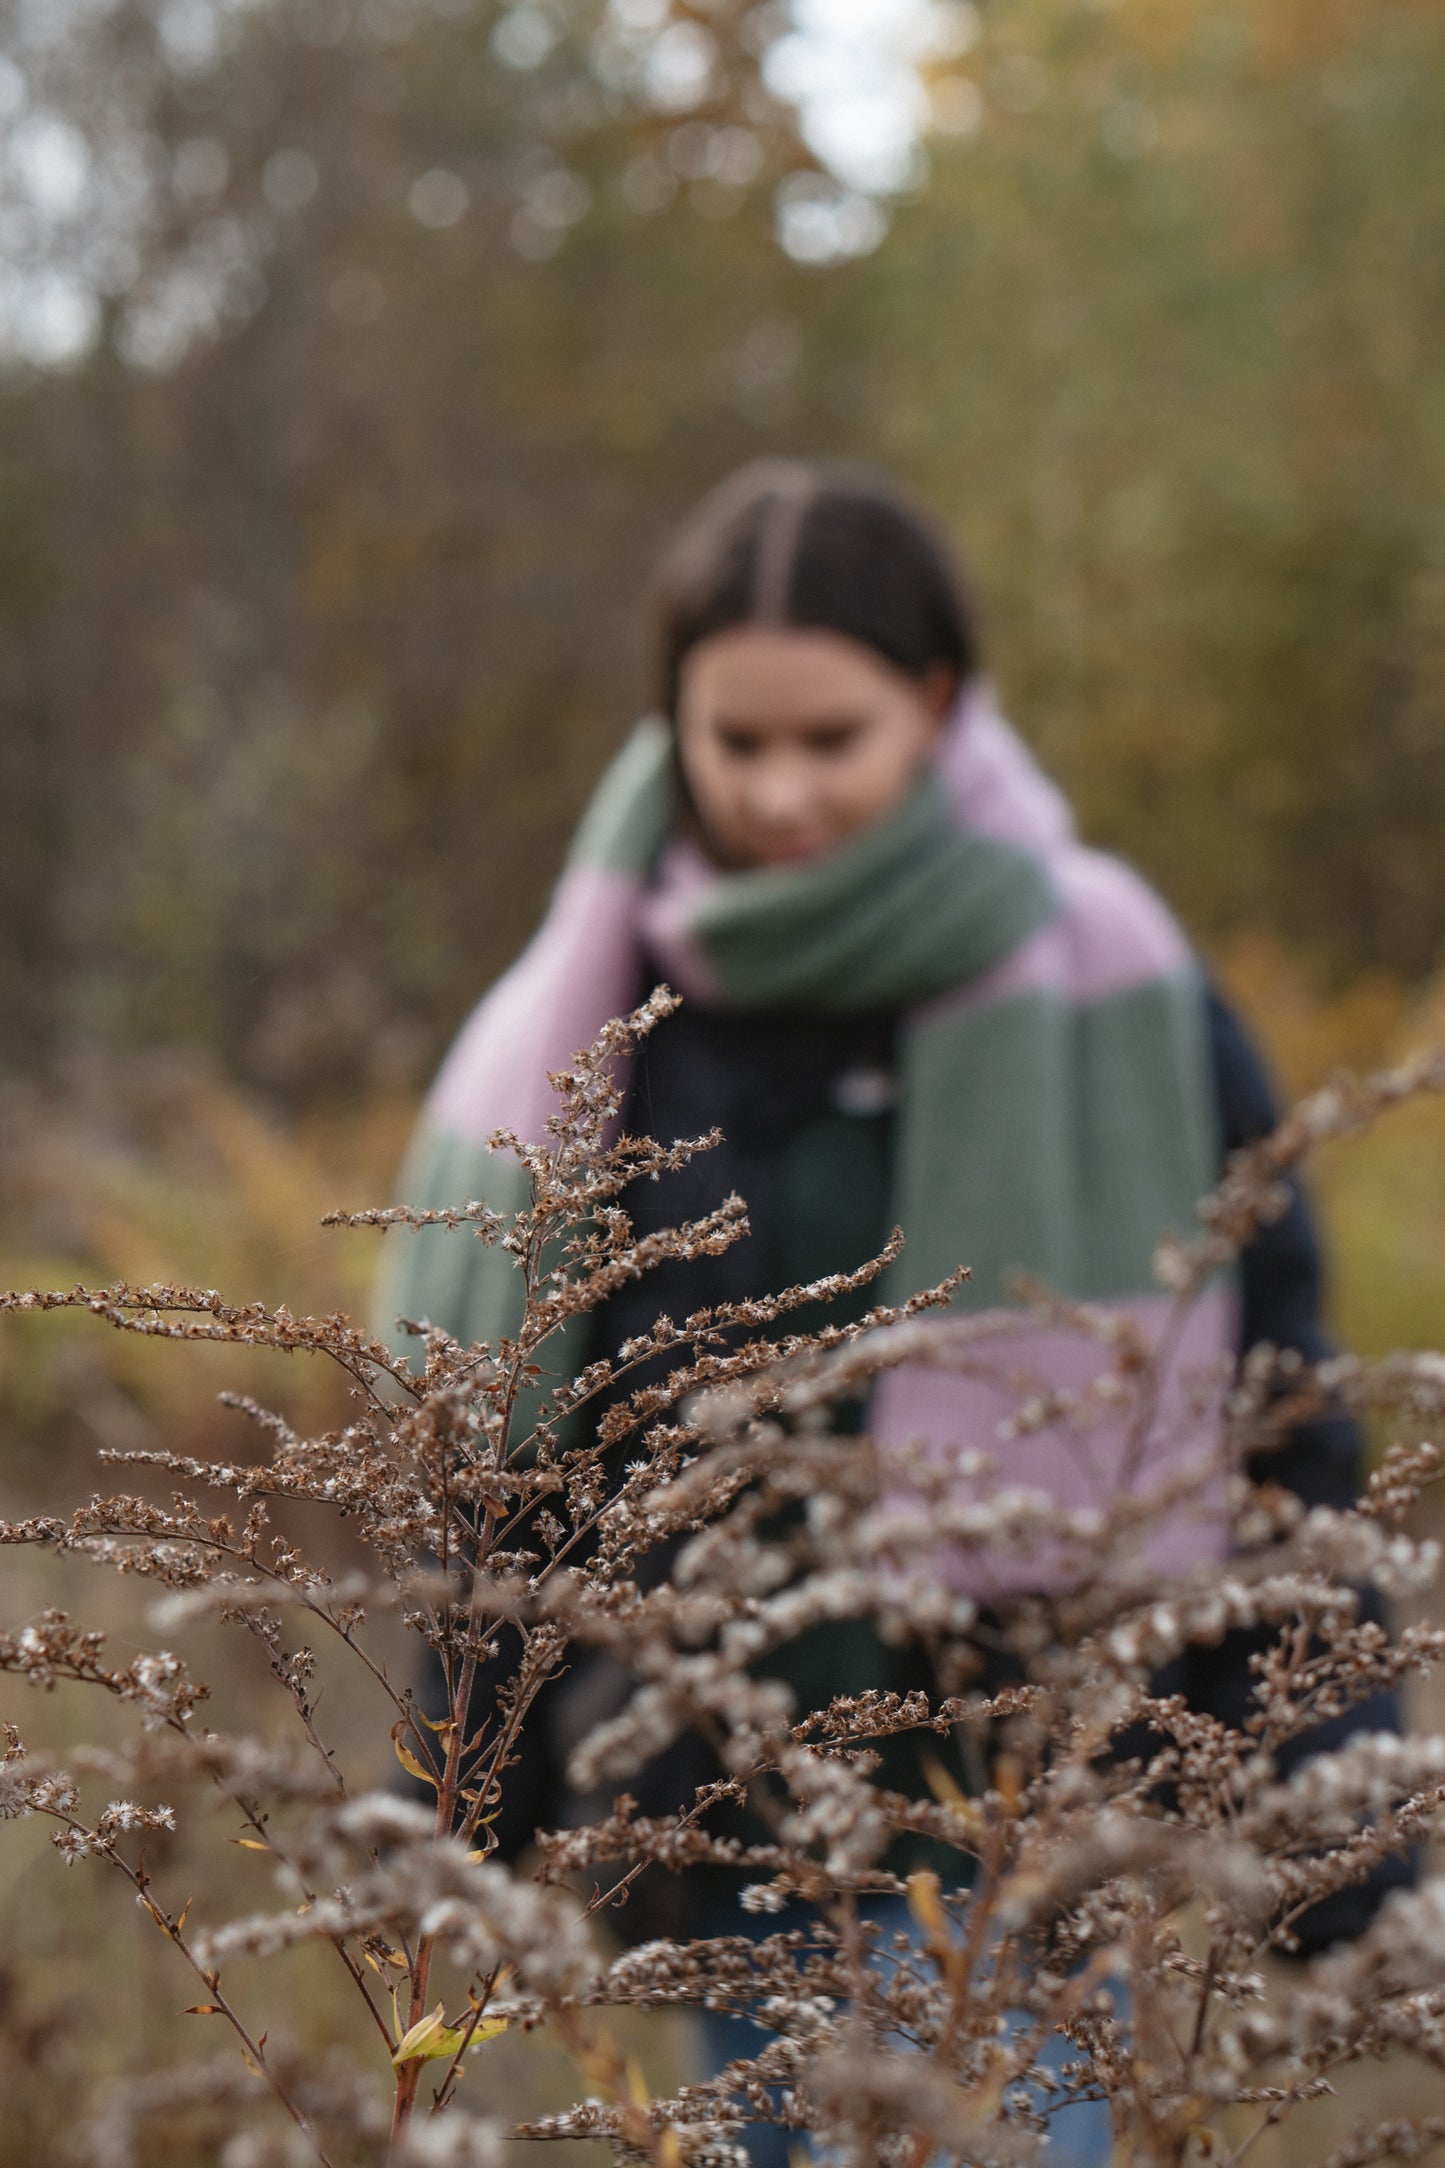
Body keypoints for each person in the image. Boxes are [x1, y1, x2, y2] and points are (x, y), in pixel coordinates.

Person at [381, 461, 1407, 2163]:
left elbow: (1274, 1405)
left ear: (934, 702)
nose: (780, 791)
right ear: (673, 723)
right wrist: (453, 1815)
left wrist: (1340, 1801)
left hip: (1031, 1813)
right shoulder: (609, 1022)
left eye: (830, 739)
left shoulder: (1117, 982)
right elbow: (516, 1456)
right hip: (737, 1814)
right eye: (736, 741)